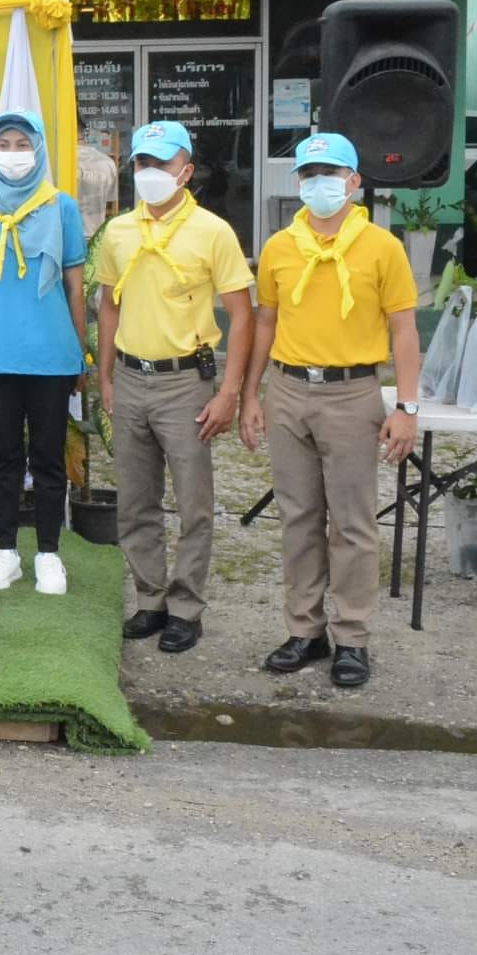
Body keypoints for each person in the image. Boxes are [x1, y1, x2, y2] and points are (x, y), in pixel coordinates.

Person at [240, 132, 420, 690]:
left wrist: (407, 406)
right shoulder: (279, 247)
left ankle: (353, 638)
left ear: (354, 181)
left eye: (331, 173)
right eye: (309, 174)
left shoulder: (381, 248)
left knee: (352, 523)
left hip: (351, 394)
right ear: (298, 182)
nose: (319, 184)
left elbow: (404, 328)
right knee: (297, 519)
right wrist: (251, 394)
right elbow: (264, 323)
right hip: (290, 390)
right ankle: (305, 629)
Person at [94, 120, 254, 654]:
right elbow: (109, 304)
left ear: (186, 173)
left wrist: (229, 392)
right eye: (141, 163)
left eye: (161, 164)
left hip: (187, 381)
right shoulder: (119, 231)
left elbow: (241, 313)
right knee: (135, 501)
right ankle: (150, 600)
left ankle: (187, 607)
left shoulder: (213, 231)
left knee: (194, 503)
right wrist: (106, 376)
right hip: (132, 378)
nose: (149, 173)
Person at [0, 111, 88, 596]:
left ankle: (49, 554)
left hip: (52, 356)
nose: (13, 152)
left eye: (22, 143)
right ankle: (6, 551)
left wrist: (80, 355)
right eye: (5, 143)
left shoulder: (62, 208)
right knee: (3, 457)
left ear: (38, 149)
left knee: (49, 458)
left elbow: (75, 286)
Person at [76, 113, 121, 238]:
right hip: (96, 237)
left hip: (67, 239)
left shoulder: (55, 163)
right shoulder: (108, 163)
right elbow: (110, 203)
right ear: (85, 132)